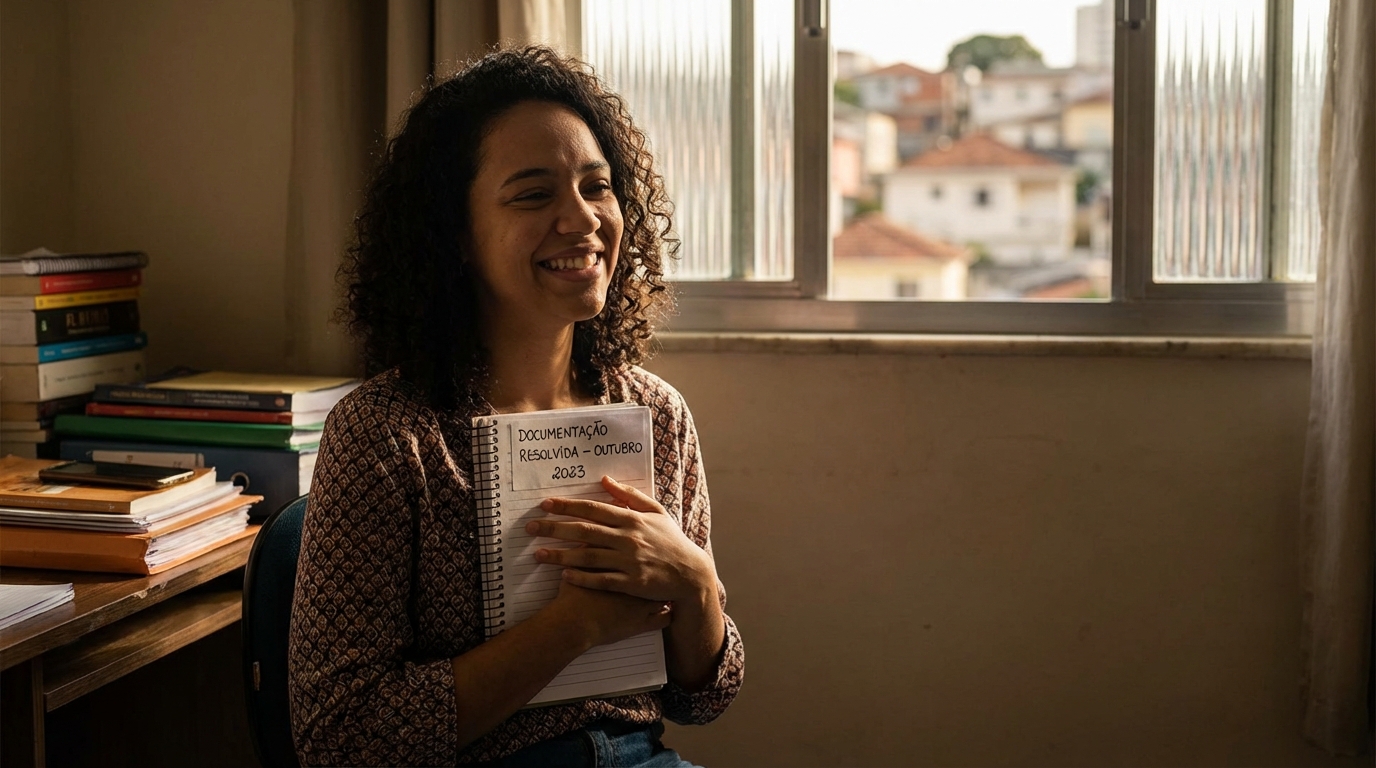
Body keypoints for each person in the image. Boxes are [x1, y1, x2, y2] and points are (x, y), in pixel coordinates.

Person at [287, 46, 744, 767]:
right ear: (455, 235)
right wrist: (574, 627)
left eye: (597, 187)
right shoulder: (387, 434)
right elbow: (341, 739)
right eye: (533, 195)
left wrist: (694, 585)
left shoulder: (655, 411)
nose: (582, 219)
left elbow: (704, 698)